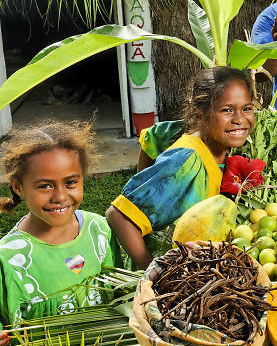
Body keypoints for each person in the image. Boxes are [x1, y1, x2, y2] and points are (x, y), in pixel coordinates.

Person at [0, 121, 121, 346]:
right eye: (45, 186)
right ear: (18, 187)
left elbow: (119, 289)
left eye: (70, 182)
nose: (60, 196)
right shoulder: (4, 260)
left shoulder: (98, 230)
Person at [106, 67, 255, 269]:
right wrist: (153, 273)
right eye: (227, 110)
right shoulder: (185, 163)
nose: (239, 119)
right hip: (171, 282)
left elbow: (154, 135)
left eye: (247, 108)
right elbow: (118, 216)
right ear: (200, 113)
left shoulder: (222, 146)